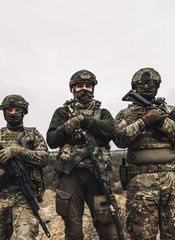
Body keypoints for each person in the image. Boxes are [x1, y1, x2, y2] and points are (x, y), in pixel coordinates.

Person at [114, 67, 175, 239]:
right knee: (141, 233)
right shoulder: (126, 114)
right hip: (141, 180)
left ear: (158, 86)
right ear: (134, 86)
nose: (147, 85)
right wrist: (144, 121)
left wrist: (163, 121)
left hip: (173, 180)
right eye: (142, 83)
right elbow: (119, 140)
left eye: (151, 83)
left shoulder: (172, 111)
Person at [47, 70, 119, 240]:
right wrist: (66, 128)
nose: (84, 89)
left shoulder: (103, 113)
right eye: (80, 86)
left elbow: (111, 131)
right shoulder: (62, 112)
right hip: (70, 175)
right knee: (73, 229)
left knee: (107, 225)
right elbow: (51, 140)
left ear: (93, 89)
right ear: (72, 89)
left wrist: (84, 120)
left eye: (88, 86)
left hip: (97, 174)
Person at [0, 94, 48, 240]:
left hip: (23, 195)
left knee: (26, 236)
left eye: (17, 110)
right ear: (4, 112)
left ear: (23, 112)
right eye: (9, 110)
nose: (13, 113)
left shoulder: (32, 135)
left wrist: (18, 151)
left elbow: (44, 158)